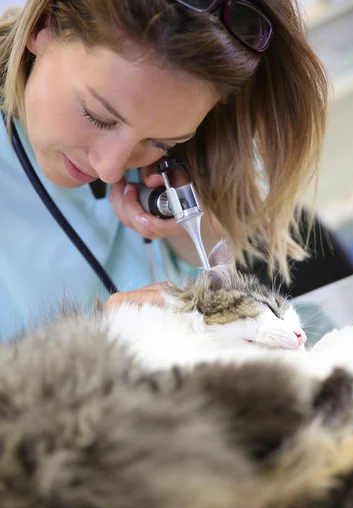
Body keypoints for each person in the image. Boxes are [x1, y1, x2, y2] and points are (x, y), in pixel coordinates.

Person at [0, 0, 327, 340]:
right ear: (42, 27)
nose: (109, 169)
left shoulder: (194, 154)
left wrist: (186, 227)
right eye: (96, 115)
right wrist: (101, 345)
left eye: (161, 143)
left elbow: (230, 247)